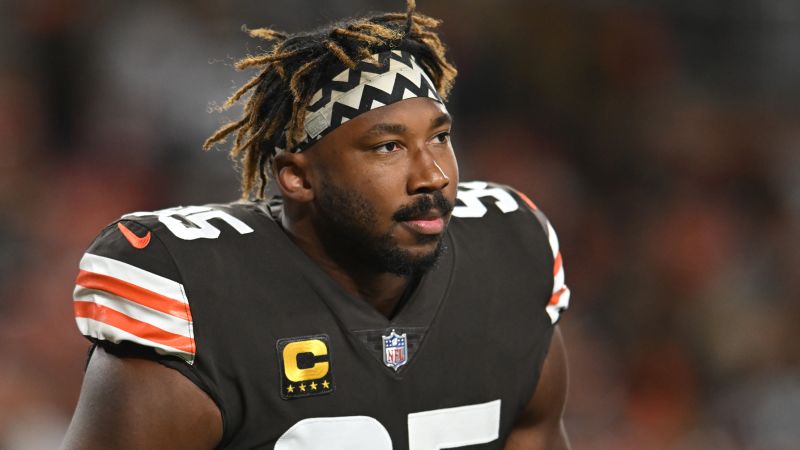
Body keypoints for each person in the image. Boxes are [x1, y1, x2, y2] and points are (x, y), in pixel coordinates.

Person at [62, 1, 571, 448]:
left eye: (439, 138)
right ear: (297, 178)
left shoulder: (511, 255)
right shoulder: (198, 297)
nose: (433, 177)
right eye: (388, 147)